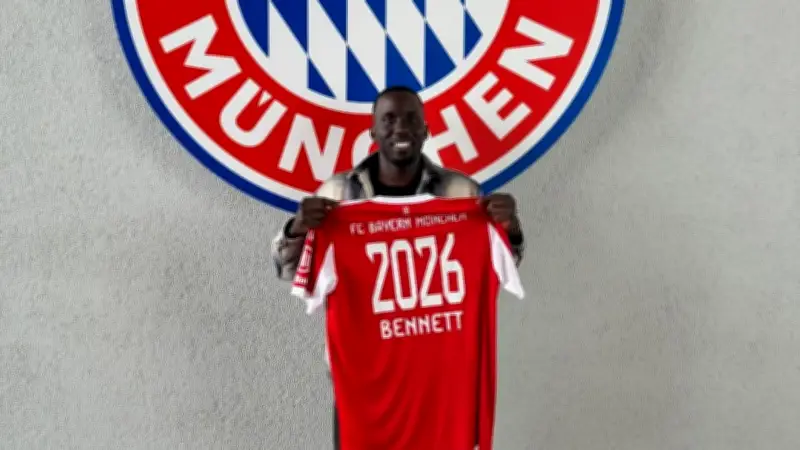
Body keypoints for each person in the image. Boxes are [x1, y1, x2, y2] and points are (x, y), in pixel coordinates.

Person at [269, 85, 525, 448]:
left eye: (411, 119)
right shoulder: (337, 196)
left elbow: (499, 265)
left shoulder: (462, 193)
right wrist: (297, 228)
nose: (400, 128)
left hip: (443, 387)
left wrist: (509, 228)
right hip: (364, 390)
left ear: (426, 130)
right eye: (388, 120)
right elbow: (290, 271)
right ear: (372, 132)